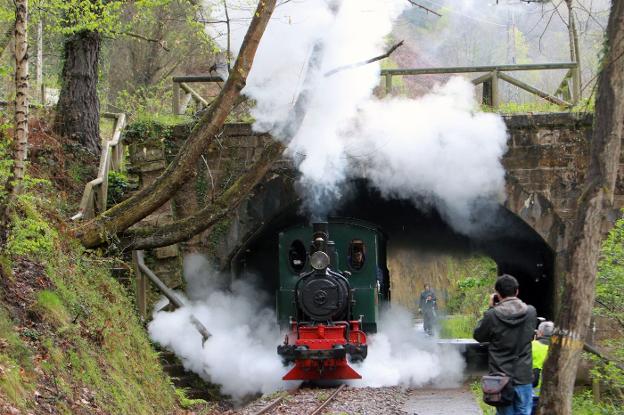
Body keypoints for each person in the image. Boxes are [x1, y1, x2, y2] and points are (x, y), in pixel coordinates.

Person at [473, 274, 537, 415]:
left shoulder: (493, 315)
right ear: (517, 291)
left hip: (500, 379)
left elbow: (478, 335)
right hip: (524, 376)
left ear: (497, 294)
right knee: (525, 412)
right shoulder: (530, 312)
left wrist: (490, 308)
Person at [531, 321, 554, 414]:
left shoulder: (531, 345)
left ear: (540, 333)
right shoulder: (557, 348)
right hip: (551, 391)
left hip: (532, 389)